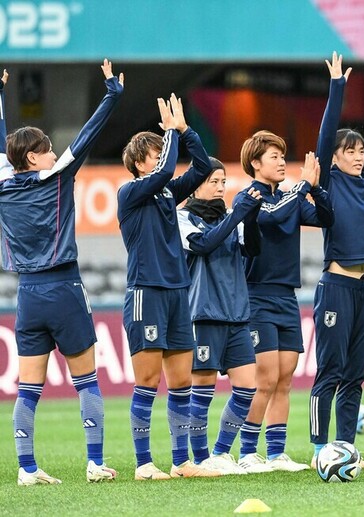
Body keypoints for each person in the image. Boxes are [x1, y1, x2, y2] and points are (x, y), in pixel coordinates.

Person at [1, 62, 122, 485]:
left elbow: (2, 145)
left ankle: (27, 468)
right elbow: (87, 135)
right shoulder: (54, 176)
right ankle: (95, 463)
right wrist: (112, 95)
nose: (54, 152)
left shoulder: (3, 183)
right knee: (86, 381)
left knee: (28, 389)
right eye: (48, 148)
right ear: (34, 157)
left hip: (27, 296)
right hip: (64, 288)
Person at [118, 94, 219, 480]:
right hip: (146, 292)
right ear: (139, 162)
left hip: (178, 291)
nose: (162, 157)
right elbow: (164, 174)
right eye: (156, 153)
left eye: (163, 151)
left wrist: (186, 130)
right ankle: (144, 463)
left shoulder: (165, 193)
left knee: (181, 382)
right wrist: (171, 132)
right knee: (147, 381)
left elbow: (203, 167)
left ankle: (181, 462)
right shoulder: (130, 192)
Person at [309, 51, 364, 467]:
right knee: (330, 371)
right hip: (337, 286)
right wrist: (337, 87)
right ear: (336, 157)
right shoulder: (329, 180)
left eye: (361, 151)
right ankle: (318, 449)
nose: (359, 156)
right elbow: (326, 136)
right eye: (351, 151)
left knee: (355, 376)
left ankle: (344, 448)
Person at [238, 135, 332, 474]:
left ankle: (276, 452)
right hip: (257, 296)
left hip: (287, 296)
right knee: (265, 379)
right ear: (255, 163)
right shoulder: (249, 197)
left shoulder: (288, 198)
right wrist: (303, 185)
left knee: (285, 379)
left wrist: (316, 189)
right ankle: (248, 452)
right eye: (274, 156)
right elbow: (273, 217)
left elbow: (325, 218)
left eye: (283, 156)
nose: (281, 162)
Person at [177, 158, 263, 475]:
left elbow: (253, 248)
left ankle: (221, 452)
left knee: (247, 387)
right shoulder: (181, 217)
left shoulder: (229, 217)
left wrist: (250, 217)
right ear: (195, 185)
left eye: (223, 181)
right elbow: (202, 245)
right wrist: (237, 215)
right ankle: (201, 459)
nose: (220, 187)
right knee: (203, 389)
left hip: (236, 312)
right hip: (203, 312)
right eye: (213, 181)